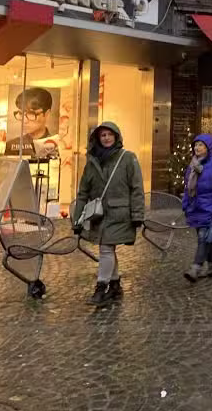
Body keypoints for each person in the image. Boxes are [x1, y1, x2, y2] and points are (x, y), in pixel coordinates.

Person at [73, 122, 144, 307]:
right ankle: (114, 284)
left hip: (120, 214)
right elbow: (83, 192)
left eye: (109, 134)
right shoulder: (92, 162)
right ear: (97, 139)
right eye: (102, 135)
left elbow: (137, 188)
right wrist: (77, 218)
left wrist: (138, 215)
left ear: (116, 136)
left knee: (105, 248)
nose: (106, 138)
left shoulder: (128, 158)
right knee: (108, 249)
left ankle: (101, 286)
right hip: (99, 216)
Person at [183, 134, 212, 282]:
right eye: (195, 145)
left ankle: (196, 267)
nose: (197, 148)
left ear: (208, 148)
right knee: (206, 238)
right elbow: (187, 187)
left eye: (201, 145)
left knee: (204, 237)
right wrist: (186, 203)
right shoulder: (192, 165)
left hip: (210, 208)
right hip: (196, 207)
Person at [5, 87, 55, 157]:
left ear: (47, 114)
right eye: (20, 113)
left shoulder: (56, 145)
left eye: (31, 114)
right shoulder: (10, 146)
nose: (24, 121)